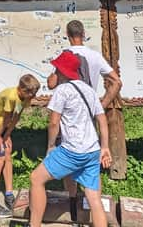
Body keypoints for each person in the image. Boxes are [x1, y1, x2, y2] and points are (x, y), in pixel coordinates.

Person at [29, 50, 112, 227]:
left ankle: (34, 224)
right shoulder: (89, 90)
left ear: (62, 72)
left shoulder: (63, 90)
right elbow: (102, 120)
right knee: (94, 198)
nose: (55, 73)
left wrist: (51, 146)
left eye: (57, 69)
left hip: (73, 150)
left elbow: (53, 122)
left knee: (36, 179)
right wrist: (105, 147)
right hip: (92, 150)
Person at [46, 20, 121, 201]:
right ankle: (91, 202)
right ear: (83, 33)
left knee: (67, 153)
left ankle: (72, 199)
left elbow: (51, 84)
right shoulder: (94, 56)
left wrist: (54, 71)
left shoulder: (67, 55)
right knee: (89, 154)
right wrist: (101, 105)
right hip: (88, 112)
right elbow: (117, 82)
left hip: (68, 113)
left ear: (68, 34)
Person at [0, 74, 40, 217]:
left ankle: (9, 194)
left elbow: (16, 116)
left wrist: (7, 136)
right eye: (32, 94)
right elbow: (7, 117)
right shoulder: (11, 96)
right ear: (22, 90)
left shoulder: (24, 98)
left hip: (2, 124)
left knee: (8, 153)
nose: (33, 97)